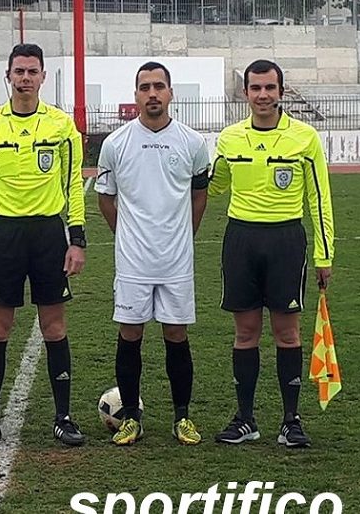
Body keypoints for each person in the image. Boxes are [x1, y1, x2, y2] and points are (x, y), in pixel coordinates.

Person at [0, 43, 86, 447]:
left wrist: (76, 239)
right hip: (3, 235)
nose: (25, 78)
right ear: (8, 76)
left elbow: (73, 184)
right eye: (19, 71)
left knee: (54, 327)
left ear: (43, 77)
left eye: (32, 71)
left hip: (48, 235)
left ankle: (63, 417)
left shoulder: (61, 125)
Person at [209, 59, 335, 448]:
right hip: (241, 240)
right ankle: (245, 419)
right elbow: (214, 185)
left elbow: (319, 198)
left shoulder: (304, 138)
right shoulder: (229, 138)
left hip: (285, 241)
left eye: (269, 88)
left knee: (287, 332)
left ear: (281, 91)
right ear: (245, 92)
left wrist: (324, 254)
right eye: (255, 88)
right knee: (245, 332)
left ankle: (290, 421)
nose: (263, 95)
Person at [96, 61, 209, 446]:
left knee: (176, 334)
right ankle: (131, 418)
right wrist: (127, 236)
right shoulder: (116, 144)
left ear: (171, 93)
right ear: (136, 95)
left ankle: (182, 418)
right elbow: (106, 199)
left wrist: (184, 237)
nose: (152, 94)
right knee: (131, 333)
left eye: (159, 86)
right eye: (145, 87)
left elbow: (199, 196)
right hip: (133, 261)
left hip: (176, 260)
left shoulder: (192, 143)